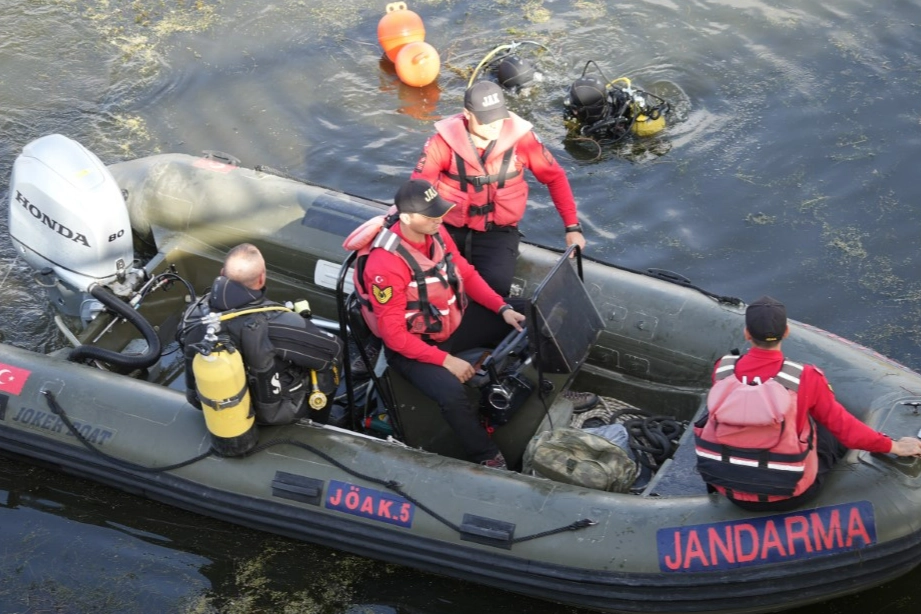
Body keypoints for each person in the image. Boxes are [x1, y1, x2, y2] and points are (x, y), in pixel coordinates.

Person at [355, 179, 526, 468]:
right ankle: (486, 455)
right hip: (414, 346)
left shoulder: (436, 232)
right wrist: (445, 360)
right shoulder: (385, 265)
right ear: (408, 218)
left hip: (451, 322)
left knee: (530, 311)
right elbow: (393, 336)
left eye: (440, 213)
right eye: (432, 215)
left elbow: (466, 273)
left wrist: (502, 307)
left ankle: (525, 384)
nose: (440, 219)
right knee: (450, 393)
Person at [694, 295, 921, 511]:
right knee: (826, 429)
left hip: (730, 490)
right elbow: (848, 432)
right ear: (787, 332)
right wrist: (895, 446)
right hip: (791, 494)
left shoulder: (722, 370)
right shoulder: (806, 377)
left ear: (746, 334)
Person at [410, 80, 586, 298]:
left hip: (497, 233)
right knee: (432, 289)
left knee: (493, 291)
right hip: (447, 228)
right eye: (486, 120)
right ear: (467, 113)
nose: (494, 125)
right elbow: (418, 189)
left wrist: (572, 227)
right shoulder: (442, 142)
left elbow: (555, 178)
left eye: (498, 117)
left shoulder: (522, 140)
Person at [178, 243, 343, 425]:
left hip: (210, 401)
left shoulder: (193, 314)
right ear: (262, 278)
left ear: (222, 272)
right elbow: (332, 349)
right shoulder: (280, 324)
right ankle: (321, 419)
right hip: (272, 413)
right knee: (332, 357)